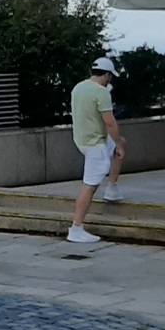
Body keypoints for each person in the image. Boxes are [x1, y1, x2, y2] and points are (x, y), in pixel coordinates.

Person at [67, 57, 125, 244]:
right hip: (95, 144)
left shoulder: (79, 87)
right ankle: (76, 228)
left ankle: (112, 189)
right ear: (107, 74)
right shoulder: (101, 93)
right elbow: (109, 122)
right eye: (110, 76)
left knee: (120, 142)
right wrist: (119, 144)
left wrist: (118, 142)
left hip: (82, 139)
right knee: (89, 186)